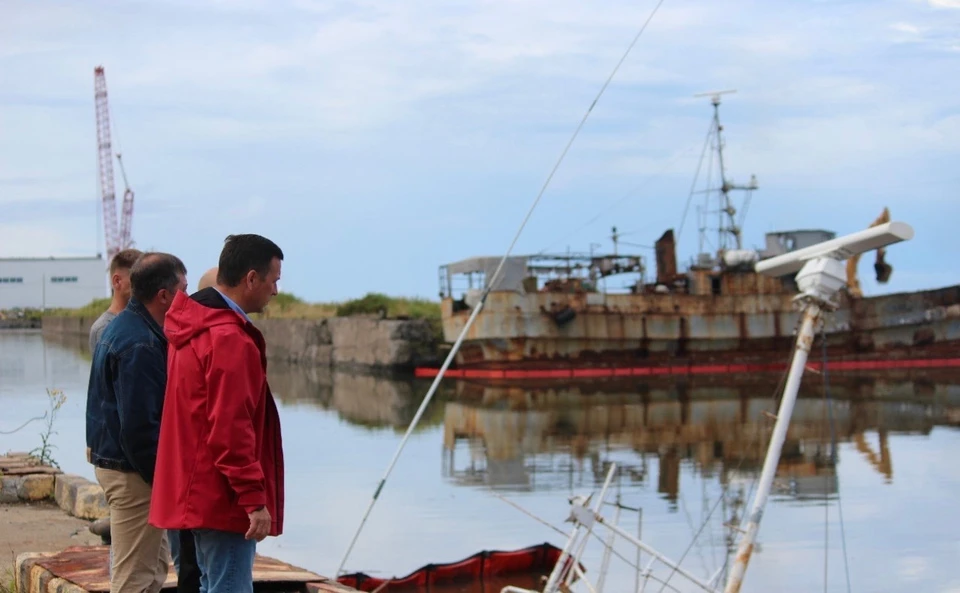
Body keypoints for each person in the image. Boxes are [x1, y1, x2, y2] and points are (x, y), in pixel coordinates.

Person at [150, 234, 285, 593]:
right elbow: (230, 430)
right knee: (229, 586)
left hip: (195, 490)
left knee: (210, 583)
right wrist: (254, 500)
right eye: (274, 280)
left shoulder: (192, 326)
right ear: (251, 278)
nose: (275, 291)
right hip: (221, 497)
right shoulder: (229, 340)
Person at [86, 252, 188, 593]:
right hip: (133, 474)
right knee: (135, 580)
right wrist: (165, 480)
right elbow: (140, 429)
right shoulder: (140, 344)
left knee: (153, 569)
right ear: (163, 296)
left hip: (121, 464)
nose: (186, 298)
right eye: (182, 289)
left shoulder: (123, 327)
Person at [89, 248, 143, 352]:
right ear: (117, 281)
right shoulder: (103, 328)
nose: (145, 285)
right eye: (138, 279)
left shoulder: (145, 320)